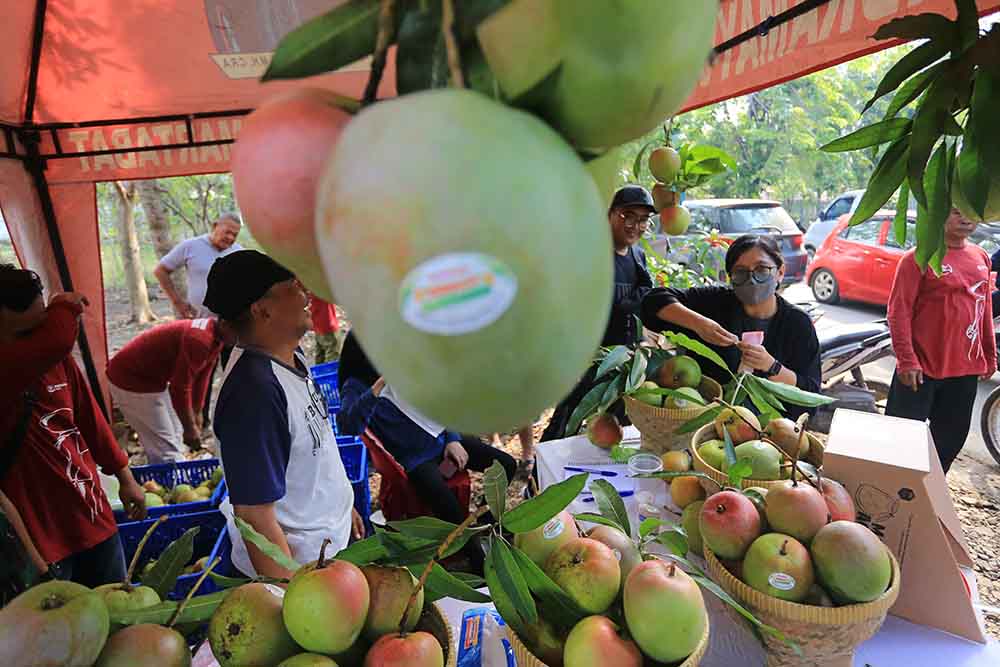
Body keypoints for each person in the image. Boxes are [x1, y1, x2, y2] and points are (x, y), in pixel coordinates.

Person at [203, 250, 364, 579]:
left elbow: (312, 451)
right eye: (290, 284)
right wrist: (291, 594)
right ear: (262, 309)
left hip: (330, 542)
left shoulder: (290, 357)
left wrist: (342, 506)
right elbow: (254, 515)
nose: (304, 291)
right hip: (305, 568)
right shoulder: (254, 393)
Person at [0, 265, 146, 587]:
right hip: (39, 540)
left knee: (117, 613)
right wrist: (64, 305)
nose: (39, 341)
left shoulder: (57, 360)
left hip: (91, 515)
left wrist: (125, 477)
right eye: (26, 334)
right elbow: (59, 337)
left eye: (42, 327)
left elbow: (89, 419)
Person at [337, 330, 517, 524]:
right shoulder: (354, 387)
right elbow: (349, 425)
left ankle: (486, 524)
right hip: (416, 459)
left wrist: (452, 438)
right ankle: (472, 549)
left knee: (506, 464)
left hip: (440, 436)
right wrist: (377, 388)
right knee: (454, 517)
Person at [641, 234, 821, 418]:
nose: (752, 279)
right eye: (741, 272)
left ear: (780, 272)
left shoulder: (797, 324)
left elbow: (810, 396)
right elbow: (652, 301)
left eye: (761, 269)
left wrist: (772, 367)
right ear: (731, 278)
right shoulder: (715, 304)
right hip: (705, 424)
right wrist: (699, 324)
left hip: (769, 431)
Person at [541, 185, 656, 441]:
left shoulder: (638, 256)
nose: (635, 225)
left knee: (620, 424)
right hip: (588, 357)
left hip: (624, 358)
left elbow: (642, 302)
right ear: (611, 214)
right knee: (566, 420)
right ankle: (540, 475)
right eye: (628, 216)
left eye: (643, 220)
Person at [886, 208, 996, 473]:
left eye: (970, 212)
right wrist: (907, 360)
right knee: (897, 442)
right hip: (920, 371)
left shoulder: (980, 256)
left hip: (965, 371)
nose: (965, 218)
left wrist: (989, 355)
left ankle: (929, 500)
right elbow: (898, 311)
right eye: (957, 212)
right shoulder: (918, 258)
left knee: (948, 442)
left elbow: (985, 307)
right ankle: (887, 501)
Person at [106, 317, 236, 463]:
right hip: (130, 379)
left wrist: (197, 412)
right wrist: (190, 427)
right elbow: (180, 388)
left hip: (152, 379)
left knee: (177, 435)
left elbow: (202, 377)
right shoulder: (200, 340)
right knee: (166, 450)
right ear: (225, 323)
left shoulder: (216, 335)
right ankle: (170, 480)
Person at [154, 212, 244, 319]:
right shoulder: (191, 246)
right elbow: (160, 271)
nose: (230, 237)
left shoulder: (239, 252)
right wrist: (177, 302)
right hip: (199, 319)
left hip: (232, 321)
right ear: (215, 226)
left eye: (235, 235)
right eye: (227, 232)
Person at [309, 296, 344, 365]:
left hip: (317, 322)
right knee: (333, 355)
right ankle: (329, 374)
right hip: (327, 322)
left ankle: (319, 374)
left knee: (320, 355)